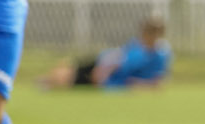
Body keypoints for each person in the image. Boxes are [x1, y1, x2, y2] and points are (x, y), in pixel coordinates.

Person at [40, 13, 173, 91]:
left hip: (112, 80)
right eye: (149, 31)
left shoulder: (161, 53)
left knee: (73, 80)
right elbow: (117, 58)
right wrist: (102, 71)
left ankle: (49, 82)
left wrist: (138, 85)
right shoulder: (135, 46)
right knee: (72, 70)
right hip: (103, 66)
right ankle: (48, 80)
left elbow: (156, 80)